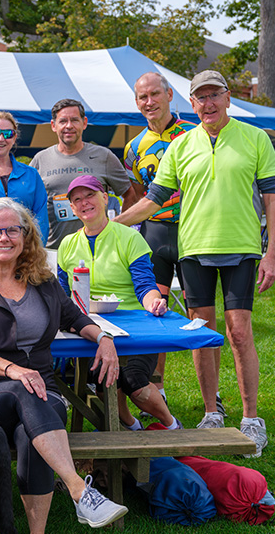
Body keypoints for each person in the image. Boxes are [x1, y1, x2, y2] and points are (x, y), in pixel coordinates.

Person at [0, 197, 129, 534]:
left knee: (32, 434)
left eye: (14, 229)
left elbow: (76, 317)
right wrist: (13, 369)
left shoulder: (43, 282)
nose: (4, 237)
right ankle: (80, 490)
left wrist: (104, 339)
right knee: (26, 387)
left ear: (27, 236)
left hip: (39, 395)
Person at [117, 70, 275, 457]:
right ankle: (211, 413)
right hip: (194, 250)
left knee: (239, 333)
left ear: (227, 99)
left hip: (241, 248)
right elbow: (153, 199)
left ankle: (252, 419)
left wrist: (271, 254)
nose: (208, 104)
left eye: (214, 96)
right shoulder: (182, 145)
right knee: (202, 334)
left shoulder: (255, 138)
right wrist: (110, 223)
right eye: (200, 98)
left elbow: (273, 198)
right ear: (191, 103)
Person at [56, 175, 182, 431]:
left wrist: (154, 302)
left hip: (133, 329)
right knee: (100, 379)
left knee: (134, 381)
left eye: (90, 195)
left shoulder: (129, 238)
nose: (84, 203)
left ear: (105, 198)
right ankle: (131, 428)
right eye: (77, 199)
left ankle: (171, 426)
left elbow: (145, 284)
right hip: (88, 331)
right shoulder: (67, 244)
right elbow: (60, 293)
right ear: (71, 208)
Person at [123, 72, 197, 405]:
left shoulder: (195, 134)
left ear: (169, 95)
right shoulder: (133, 147)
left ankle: (213, 395)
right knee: (155, 313)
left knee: (198, 315)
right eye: (143, 97)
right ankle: (158, 388)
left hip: (193, 230)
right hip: (154, 232)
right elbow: (137, 197)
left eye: (155, 94)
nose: (149, 102)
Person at [30, 99, 133, 249]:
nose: (69, 126)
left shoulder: (104, 157)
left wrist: (118, 225)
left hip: (100, 248)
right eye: (63, 121)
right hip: (54, 249)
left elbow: (130, 194)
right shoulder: (40, 160)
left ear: (84, 123)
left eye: (74, 120)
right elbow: (28, 203)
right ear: (53, 125)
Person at [0, 112, 48, 241]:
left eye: (8, 134)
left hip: (25, 252)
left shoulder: (31, 175)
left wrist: (36, 252)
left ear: (14, 138)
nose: (1, 139)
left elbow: (41, 219)